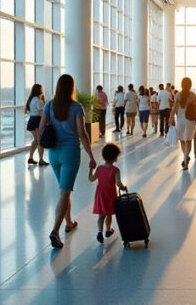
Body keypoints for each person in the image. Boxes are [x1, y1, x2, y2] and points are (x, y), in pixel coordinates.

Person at [39, 74, 97, 249]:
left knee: (64, 191)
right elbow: (82, 133)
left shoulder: (49, 105)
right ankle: (55, 231)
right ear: (72, 87)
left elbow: (41, 127)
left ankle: (69, 223)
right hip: (70, 152)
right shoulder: (76, 107)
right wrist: (92, 156)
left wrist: (43, 141)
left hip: (54, 153)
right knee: (65, 193)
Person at [89, 143, 127, 243]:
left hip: (100, 195)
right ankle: (108, 229)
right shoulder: (115, 170)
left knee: (101, 215)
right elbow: (118, 183)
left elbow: (91, 179)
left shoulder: (99, 169)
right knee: (109, 214)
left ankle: (100, 232)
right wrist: (123, 187)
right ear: (115, 157)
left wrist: (90, 169)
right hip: (110, 195)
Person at [169, 77, 196, 170]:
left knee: (182, 140)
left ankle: (185, 158)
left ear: (181, 84)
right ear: (190, 85)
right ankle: (186, 158)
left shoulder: (178, 95)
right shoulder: (193, 95)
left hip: (180, 119)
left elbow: (174, 108)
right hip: (190, 120)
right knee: (188, 140)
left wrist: (171, 117)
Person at [25, 84, 48, 166]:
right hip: (37, 121)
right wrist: (45, 107)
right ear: (39, 90)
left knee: (36, 140)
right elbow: (40, 111)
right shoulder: (38, 100)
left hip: (31, 120)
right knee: (40, 141)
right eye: (42, 89)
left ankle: (30, 158)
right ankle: (41, 160)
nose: (43, 91)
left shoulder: (31, 99)